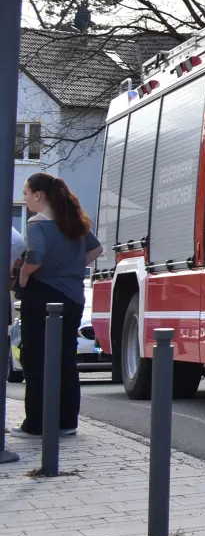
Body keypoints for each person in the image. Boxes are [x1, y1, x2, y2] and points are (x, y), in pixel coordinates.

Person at [13, 173, 103, 438]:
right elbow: (96, 250)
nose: (24, 198)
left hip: (42, 296)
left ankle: (36, 425)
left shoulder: (37, 223)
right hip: (74, 297)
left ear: (39, 195)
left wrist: (24, 275)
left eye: (26, 193)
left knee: (35, 358)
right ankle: (66, 422)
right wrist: (71, 267)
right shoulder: (74, 221)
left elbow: (35, 257)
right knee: (65, 358)